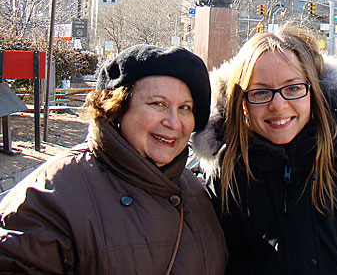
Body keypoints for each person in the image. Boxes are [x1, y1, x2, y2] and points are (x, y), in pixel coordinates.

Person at [191, 26, 337, 274]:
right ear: (242, 103)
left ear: (313, 90)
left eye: (293, 88)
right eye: (261, 92)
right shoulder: (228, 170)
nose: (278, 105)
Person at [0, 45, 227, 273]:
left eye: (185, 108)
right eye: (158, 104)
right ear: (116, 107)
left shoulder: (198, 194)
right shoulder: (50, 197)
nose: (174, 122)